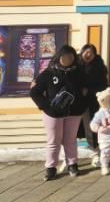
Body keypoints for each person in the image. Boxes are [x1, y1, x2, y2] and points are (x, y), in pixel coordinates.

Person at [30, 45, 86, 181]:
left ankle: (72, 164)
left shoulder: (78, 72)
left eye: (71, 57)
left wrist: (82, 104)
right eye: (65, 56)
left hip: (74, 112)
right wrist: (46, 106)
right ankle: (51, 167)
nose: (68, 59)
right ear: (59, 57)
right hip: (53, 113)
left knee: (70, 139)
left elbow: (86, 90)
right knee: (53, 140)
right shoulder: (48, 73)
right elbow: (35, 92)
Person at [78, 44, 108, 167]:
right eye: (86, 51)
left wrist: (88, 91)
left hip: (91, 102)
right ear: (82, 52)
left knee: (91, 128)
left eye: (91, 53)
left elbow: (103, 86)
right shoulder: (75, 64)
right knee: (72, 130)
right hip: (75, 102)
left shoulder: (99, 66)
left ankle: (95, 153)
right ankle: (69, 158)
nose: (88, 54)